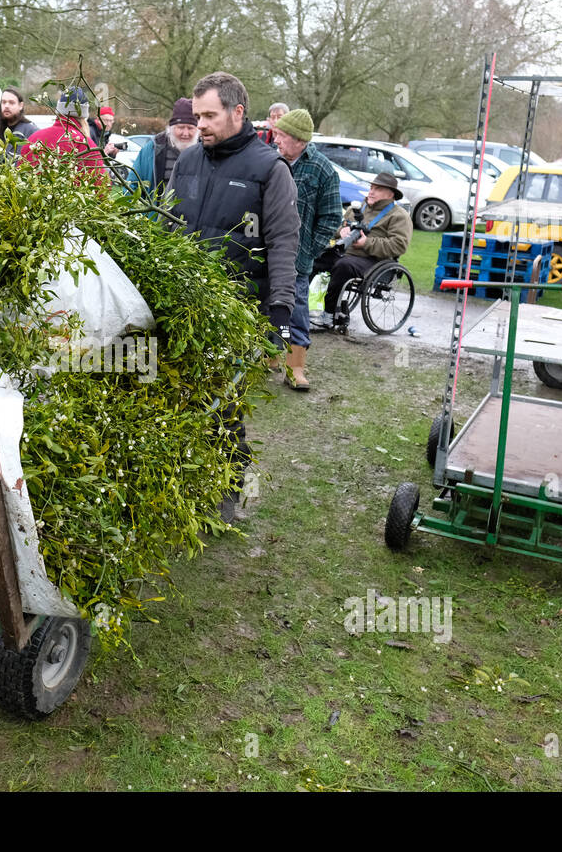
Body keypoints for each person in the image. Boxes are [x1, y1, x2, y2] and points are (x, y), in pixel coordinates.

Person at [168, 71, 299, 522]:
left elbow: (284, 241)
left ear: (237, 112)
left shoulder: (268, 169)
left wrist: (280, 310)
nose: (199, 124)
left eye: (209, 115)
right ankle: (184, 484)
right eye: (197, 115)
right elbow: (166, 226)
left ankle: (229, 491)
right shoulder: (187, 163)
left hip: (237, 309)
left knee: (222, 405)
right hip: (185, 303)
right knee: (182, 397)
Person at [272, 108, 342, 391]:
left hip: (297, 259)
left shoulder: (322, 169)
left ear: (299, 140)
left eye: (282, 136)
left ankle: (295, 366)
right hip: (266, 251)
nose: (276, 141)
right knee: (267, 307)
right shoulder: (270, 161)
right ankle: (269, 355)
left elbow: (332, 218)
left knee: (296, 310)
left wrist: (310, 250)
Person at [313, 172, 412, 329]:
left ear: (390, 194)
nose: (371, 191)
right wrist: (342, 231)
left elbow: (399, 245)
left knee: (343, 266)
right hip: (346, 253)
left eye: (377, 189)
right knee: (316, 259)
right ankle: (297, 306)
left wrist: (367, 243)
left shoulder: (399, 216)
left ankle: (330, 314)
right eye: (371, 187)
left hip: (375, 261)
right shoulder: (357, 208)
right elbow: (338, 227)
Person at [20, 87, 107, 182]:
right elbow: (100, 186)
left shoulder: (33, 139)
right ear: (84, 116)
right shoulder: (86, 146)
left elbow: (20, 175)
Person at [128, 97, 199, 201]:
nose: (185, 133)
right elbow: (132, 186)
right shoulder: (153, 149)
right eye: (180, 127)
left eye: (190, 128)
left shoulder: (205, 151)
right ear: (171, 127)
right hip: (157, 215)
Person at [0, 86, 36, 156]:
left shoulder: (31, 131)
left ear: (21, 105)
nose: (6, 106)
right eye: (3, 102)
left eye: (11, 102)